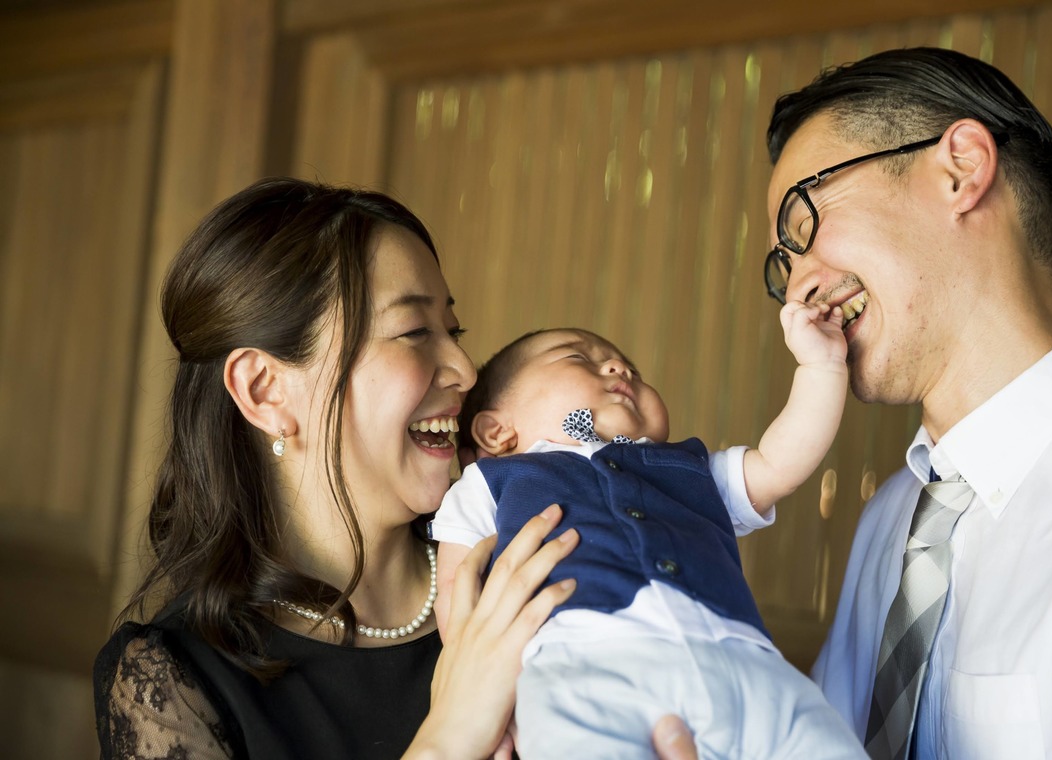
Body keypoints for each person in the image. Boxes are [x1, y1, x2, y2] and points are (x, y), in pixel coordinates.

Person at [92, 177, 694, 760]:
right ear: (266, 389)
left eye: (453, 331)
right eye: (414, 331)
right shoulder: (169, 682)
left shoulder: (530, 570)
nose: (464, 367)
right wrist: (448, 740)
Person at [764, 47, 1052, 759]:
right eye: (781, 267)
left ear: (962, 168)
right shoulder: (891, 524)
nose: (797, 290)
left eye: (804, 226)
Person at [430, 318, 868, 758]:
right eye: (579, 358)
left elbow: (779, 465)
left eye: (631, 370)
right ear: (497, 432)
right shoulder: (490, 482)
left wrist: (823, 367)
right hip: (587, 672)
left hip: (748, 665)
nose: (620, 368)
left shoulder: (687, 467)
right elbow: (459, 594)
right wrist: (494, 709)